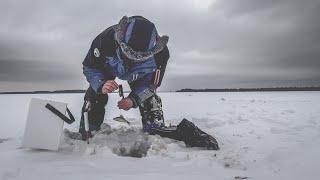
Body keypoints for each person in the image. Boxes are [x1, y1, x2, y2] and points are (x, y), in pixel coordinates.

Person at [80, 15, 219, 150]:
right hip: (108, 67)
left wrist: (133, 99)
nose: (134, 59)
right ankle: (88, 131)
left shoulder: (161, 55)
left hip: (140, 75)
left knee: (149, 102)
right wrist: (100, 83)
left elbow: (151, 84)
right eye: (129, 53)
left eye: (140, 57)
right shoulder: (104, 40)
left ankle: (154, 126)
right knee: (94, 95)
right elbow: (90, 66)